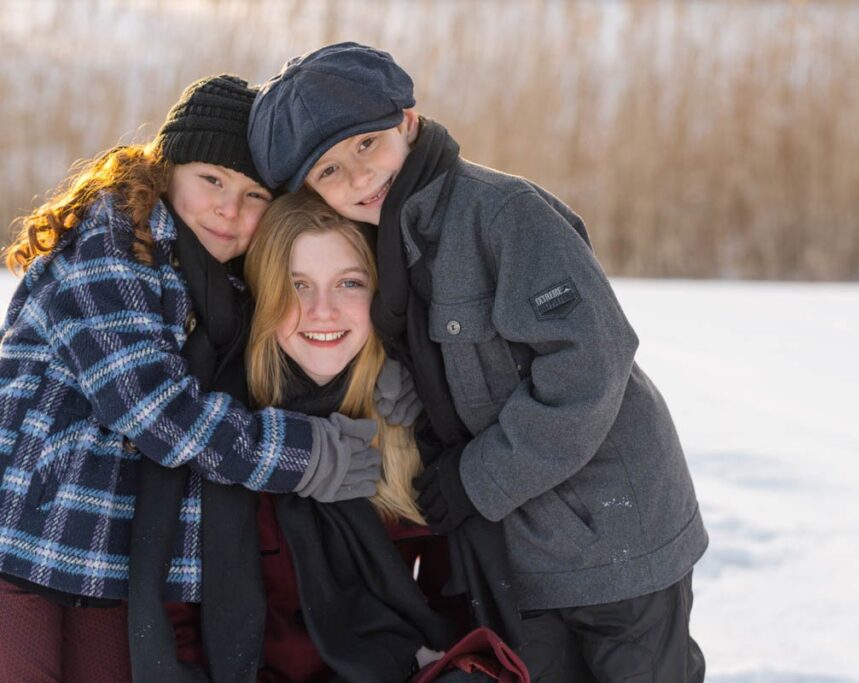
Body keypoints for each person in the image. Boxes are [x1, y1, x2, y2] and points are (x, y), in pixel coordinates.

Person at [247, 43, 709, 682]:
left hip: (615, 530)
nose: (356, 178)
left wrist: (477, 478)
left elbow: (590, 364)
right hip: (520, 553)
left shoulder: (502, 214)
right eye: (328, 171)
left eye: (365, 146)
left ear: (407, 121)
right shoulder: (378, 245)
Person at [0, 74, 382, 682]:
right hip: (25, 541)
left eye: (256, 195)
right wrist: (306, 456)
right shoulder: (109, 247)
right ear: (166, 168)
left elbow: (284, 354)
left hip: (109, 563)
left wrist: (380, 381)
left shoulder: (221, 283)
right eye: (213, 181)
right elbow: (156, 411)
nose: (230, 210)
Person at [239, 189, 518, 682]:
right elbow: (181, 624)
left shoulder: (412, 427)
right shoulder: (227, 433)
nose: (322, 310)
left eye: (348, 283)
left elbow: (450, 602)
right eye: (297, 284)